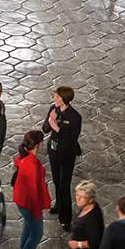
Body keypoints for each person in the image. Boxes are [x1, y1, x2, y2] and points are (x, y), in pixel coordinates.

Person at [12, 130, 52, 249]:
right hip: (29, 204)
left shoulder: (24, 158)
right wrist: (38, 211)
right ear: (38, 145)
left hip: (22, 201)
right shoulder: (31, 164)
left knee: (28, 229)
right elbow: (34, 192)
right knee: (36, 233)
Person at [43, 86, 83, 228]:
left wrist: (55, 125)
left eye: (58, 97)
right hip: (54, 150)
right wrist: (49, 121)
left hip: (67, 153)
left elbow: (71, 138)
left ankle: (65, 218)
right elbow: (45, 129)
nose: (55, 99)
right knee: (56, 180)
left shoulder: (75, 117)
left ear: (65, 100)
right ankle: (58, 205)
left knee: (64, 185)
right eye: (54, 96)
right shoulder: (53, 109)